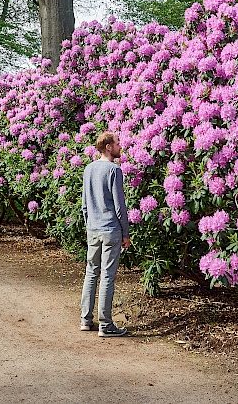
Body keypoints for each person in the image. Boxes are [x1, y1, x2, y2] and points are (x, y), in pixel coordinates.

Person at [80, 131, 130, 337]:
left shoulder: (88, 169)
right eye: (117, 144)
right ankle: (106, 324)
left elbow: (84, 205)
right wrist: (125, 233)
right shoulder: (114, 170)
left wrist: (90, 224)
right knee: (108, 276)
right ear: (108, 147)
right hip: (110, 230)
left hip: (93, 229)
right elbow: (120, 206)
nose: (120, 147)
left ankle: (85, 320)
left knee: (91, 273)